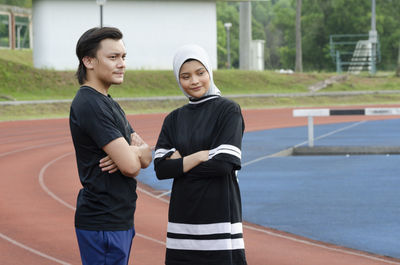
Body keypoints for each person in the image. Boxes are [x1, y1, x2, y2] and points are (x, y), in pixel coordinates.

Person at [154, 44, 247, 265]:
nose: (194, 81)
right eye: (185, 76)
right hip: (182, 218)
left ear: (209, 72)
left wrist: (181, 164)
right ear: (179, 80)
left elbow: (224, 164)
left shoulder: (228, 111)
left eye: (200, 73)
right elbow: (160, 169)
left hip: (219, 213)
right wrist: (198, 156)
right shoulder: (173, 119)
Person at [69, 27, 152, 265]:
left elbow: (146, 155)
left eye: (123, 57)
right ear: (88, 61)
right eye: (113, 57)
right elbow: (131, 166)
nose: (122, 64)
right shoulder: (90, 104)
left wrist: (135, 151)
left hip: (117, 218)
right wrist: (132, 153)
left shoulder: (107, 102)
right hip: (103, 221)